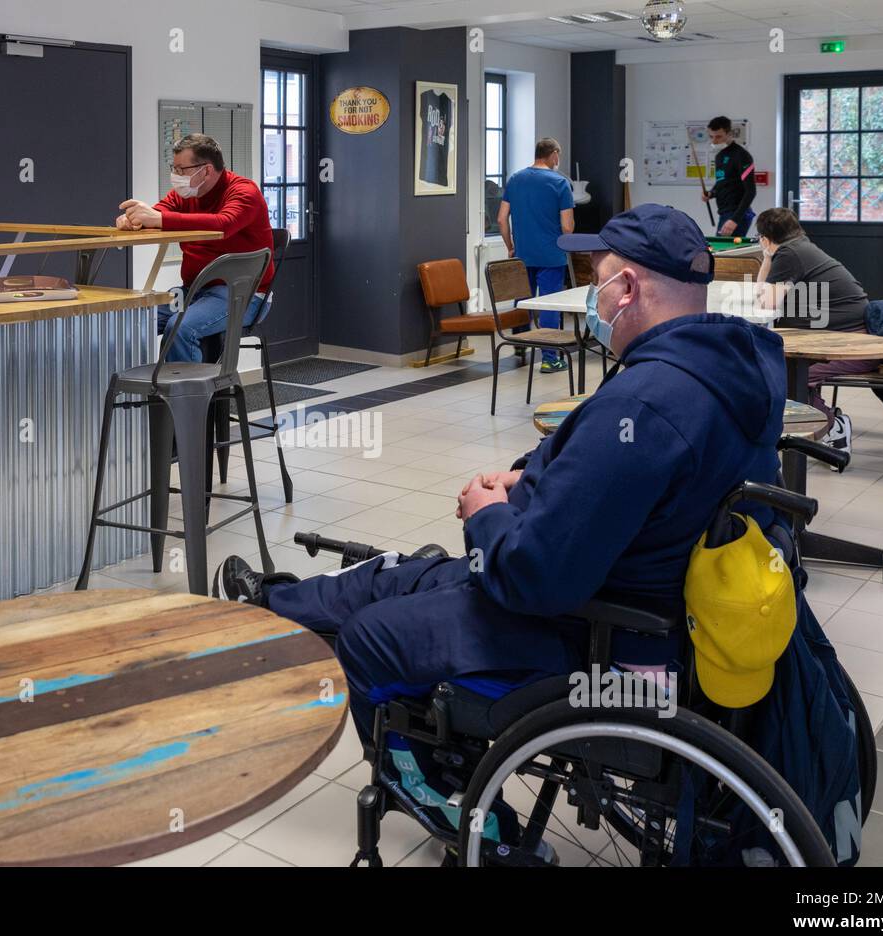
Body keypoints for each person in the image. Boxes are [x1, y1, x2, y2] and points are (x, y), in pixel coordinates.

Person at [213, 205, 788, 830]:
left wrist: (485, 513)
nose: (595, 293)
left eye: (599, 277)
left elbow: (531, 577)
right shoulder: (725, 369)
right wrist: (532, 477)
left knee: (373, 637)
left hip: (598, 637)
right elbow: (614, 477)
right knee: (405, 573)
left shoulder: (647, 401)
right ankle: (268, 612)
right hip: (644, 600)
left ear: (626, 289)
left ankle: (446, 804)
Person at [117, 134, 274, 364]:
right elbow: (158, 213)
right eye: (174, 168)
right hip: (193, 292)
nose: (175, 176)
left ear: (206, 171)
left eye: (181, 169)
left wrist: (157, 218)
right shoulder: (186, 195)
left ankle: (185, 399)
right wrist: (133, 220)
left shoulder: (244, 192)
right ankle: (139, 391)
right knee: (135, 321)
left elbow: (223, 224)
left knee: (180, 328)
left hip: (243, 294)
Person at [754, 206, 870, 452]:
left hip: (854, 344)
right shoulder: (800, 245)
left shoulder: (789, 254)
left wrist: (767, 256)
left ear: (765, 238)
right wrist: (767, 256)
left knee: (791, 376)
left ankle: (833, 427)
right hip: (848, 335)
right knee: (787, 369)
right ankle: (825, 423)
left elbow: (766, 301)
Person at [497, 137, 575, 372]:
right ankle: (550, 358)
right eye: (558, 156)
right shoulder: (560, 183)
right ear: (553, 154)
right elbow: (567, 226)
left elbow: (501, 219)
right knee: (549, 304)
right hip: (551, 254)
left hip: (523, 254)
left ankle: (519, 342)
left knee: (523, 299)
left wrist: (510, 246)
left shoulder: (515, 179)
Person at [702, 116, 756, 238]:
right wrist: (711, 193)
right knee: (720, 254)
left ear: (729, 133)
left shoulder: (741, 155)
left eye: (718, 136)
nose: (714, 141)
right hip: (725, 212)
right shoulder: (719, 156)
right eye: (711, 137)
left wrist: (735, 220)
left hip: (737, 215)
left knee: (722, 255)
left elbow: (751, 191)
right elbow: (722, 182)